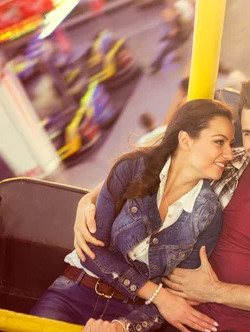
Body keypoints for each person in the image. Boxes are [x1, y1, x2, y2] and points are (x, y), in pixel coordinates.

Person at [74, 75, 250, 332]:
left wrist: (215, 291)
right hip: (179, 317)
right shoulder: (227, 163)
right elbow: (149, 169)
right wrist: (87, 201)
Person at [31, 100, 236, 332]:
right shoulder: (131, 169)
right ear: (186, 140)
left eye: (231, 143)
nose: (229, 153)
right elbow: (91, 252)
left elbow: (179, 296)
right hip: (74, 292)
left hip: (130, 313)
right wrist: (158, 295)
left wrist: (124, 326)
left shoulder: (209, 214)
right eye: (220, 142)